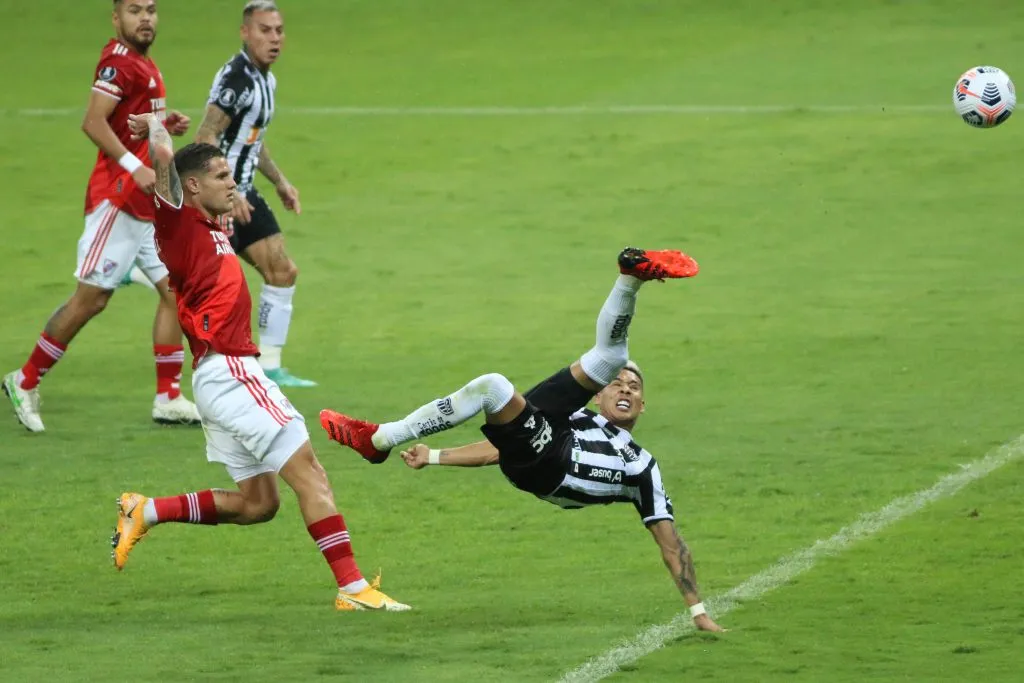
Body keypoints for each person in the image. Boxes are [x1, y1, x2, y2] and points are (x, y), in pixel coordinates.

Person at [320, 248, 724, 631]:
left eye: (634, 387)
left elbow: (671, 544)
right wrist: (435, 457)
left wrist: (698, 611)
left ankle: (378, 440)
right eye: (616, 385)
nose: (625, 389)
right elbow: (498, 450)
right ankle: (629, 278)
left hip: (551, 465)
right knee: (607, 357)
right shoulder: (580, 417)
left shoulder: (643, 466)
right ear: (598, 395)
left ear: (643, 404)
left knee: (494, 387)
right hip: (549, 440)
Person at [110, 112, 409, 612]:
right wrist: (156, 124)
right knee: (310, 472)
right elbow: (163, 158)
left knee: (259, 505)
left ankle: (147, 510)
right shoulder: (178, 221)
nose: (233, 183)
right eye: (223, 176)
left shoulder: (205, 224)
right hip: (232, 373)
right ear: (192, 185)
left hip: (219, 376)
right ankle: (355, 589)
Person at [2, 0, 200, 432]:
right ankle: (24, 379)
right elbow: (93, 122)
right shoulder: (118, 62)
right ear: (116, 18)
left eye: (150, 9)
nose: (145, 18)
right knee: (91, 298)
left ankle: (168, 397)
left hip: (144, 206)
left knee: (175, 291)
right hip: (119, 201)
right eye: (134, 10)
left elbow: (132, 122)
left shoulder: (144, 64)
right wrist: (137, 167)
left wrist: (164, 123)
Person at [193, 0, 314, 388]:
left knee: (282, 270)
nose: (274, 38)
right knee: (213, 289)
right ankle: (209, 376)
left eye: (278, 30)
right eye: (264, 30)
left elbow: (253, 139)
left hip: (244, 193)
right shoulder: (237, 81)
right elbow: (205, 135)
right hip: (222, 199)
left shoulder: (266, 79)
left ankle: (270, 367)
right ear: (245, 33)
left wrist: (280, 181)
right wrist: (226, 187)